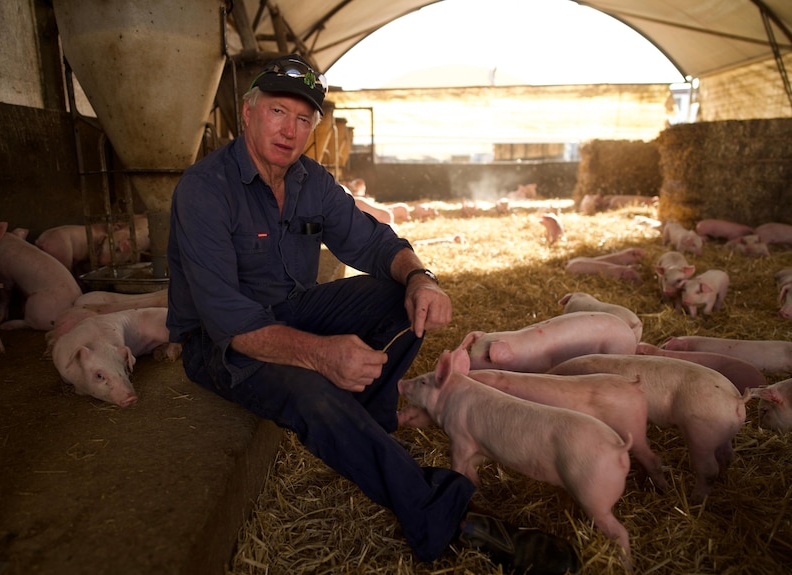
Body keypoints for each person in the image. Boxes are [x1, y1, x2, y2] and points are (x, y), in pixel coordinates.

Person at [166, 53, 582, 574]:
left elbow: (374, 242)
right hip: (218, 342)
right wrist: (319, 355)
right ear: (248, 113)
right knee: (312, 392)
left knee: (402, 300)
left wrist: (420, 277)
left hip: (293, 309)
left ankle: (368, 425)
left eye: (303, 119)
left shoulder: (309, 180)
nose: (289, 130)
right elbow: (227, 318)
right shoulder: (206, 190)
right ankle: (447, 519)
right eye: (277, 112)